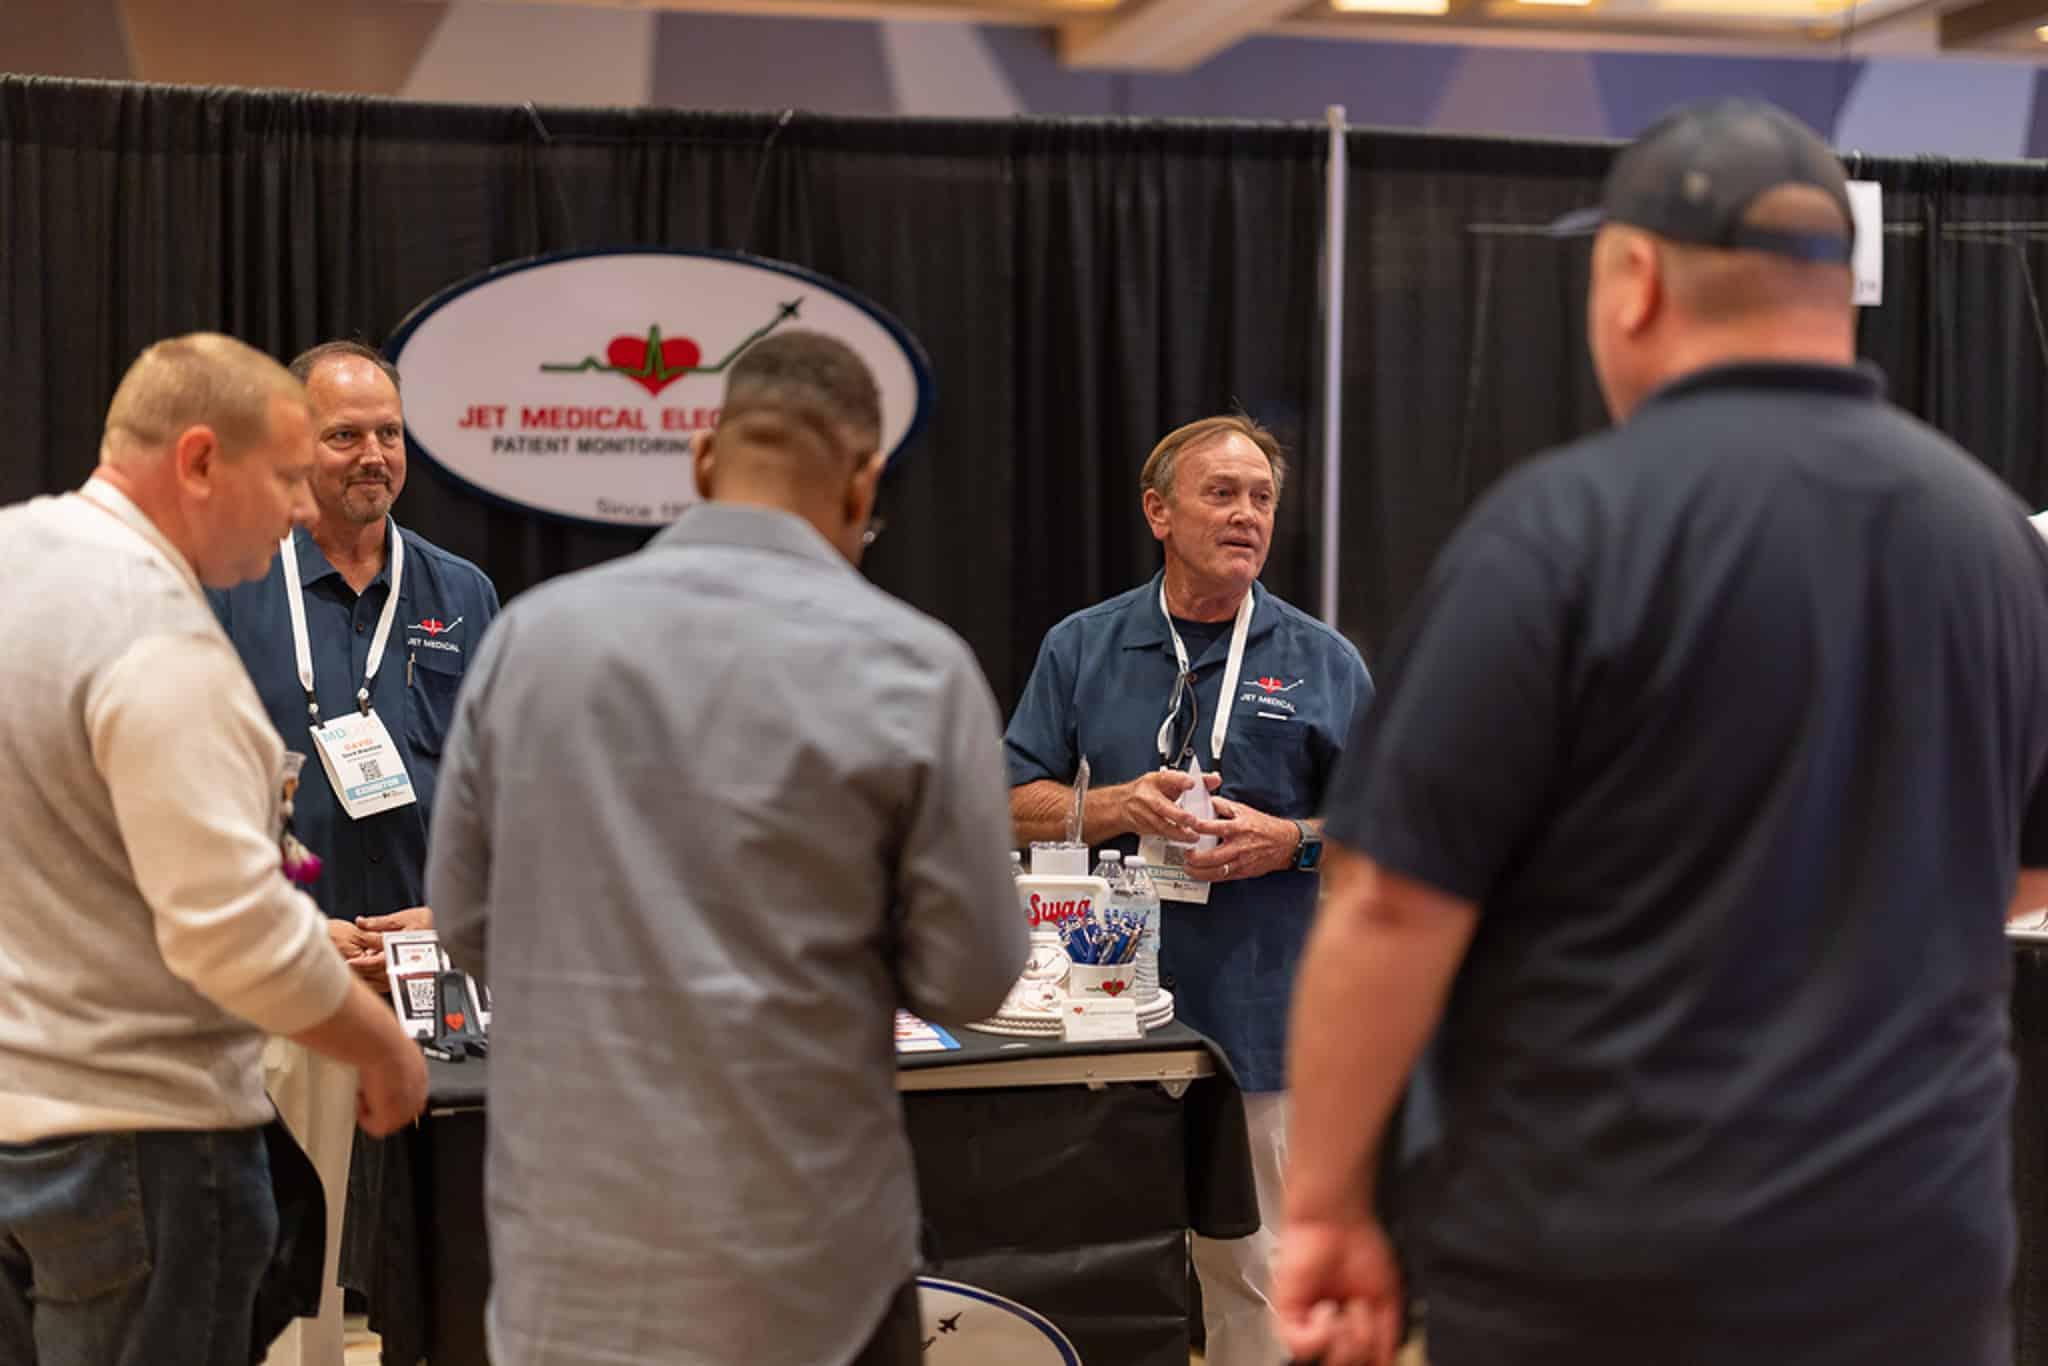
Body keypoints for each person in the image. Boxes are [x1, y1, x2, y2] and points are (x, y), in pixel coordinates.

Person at [1276, 97, 2048, 1366]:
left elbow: (1390, 904)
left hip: (1604, 1256)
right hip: (1913, 1254)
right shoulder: (1993, 541)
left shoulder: (1559, 532)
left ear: (1632, 280)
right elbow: (2019, 871)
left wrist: (1323, 1206)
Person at [426, 329, 1028, 1366]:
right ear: (863, 482)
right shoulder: (918, 670)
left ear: (702, 459)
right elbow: (971, 975)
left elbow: (469, 926)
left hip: (572, 1267)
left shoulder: (529, 640)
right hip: (805, 1274)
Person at [0, 333, 428, 1366]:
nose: (299, 511)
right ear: (198, 461)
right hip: (145, 1138)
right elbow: (228, 930)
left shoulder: (15, 555)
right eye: (284, 477)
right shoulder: (161, 634)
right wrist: (378, 1046)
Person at [1003, 413, 1372, 1366]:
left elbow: (1392, 836)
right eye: (1222, 494)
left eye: (1262, 499)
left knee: (1256, 1276)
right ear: (1158, 512)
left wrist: (1290, 842)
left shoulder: (1323, 661)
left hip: (1259, 1029)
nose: (1247, 515)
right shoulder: (1082, 646)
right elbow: (1006, 805)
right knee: (1103, 1271)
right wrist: (1113, 804)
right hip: (1099, 1025)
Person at [210, 339, 500, 1366]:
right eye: (344, 435)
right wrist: (291, 925)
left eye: (388, 432)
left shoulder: (464, 592)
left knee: (441, 1283)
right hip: (283, 978)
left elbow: (504, 792)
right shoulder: (231, 583)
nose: (372, 455)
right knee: (293, 1291)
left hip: (432, 980)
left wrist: (458, 915)